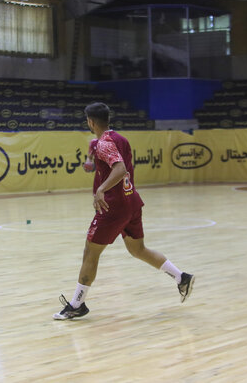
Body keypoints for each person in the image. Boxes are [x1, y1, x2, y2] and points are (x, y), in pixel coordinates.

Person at [53, 102, 194, 320]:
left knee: (91, 252)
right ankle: (181, 277)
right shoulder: (119, 139)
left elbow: (120, 169)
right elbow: (112, 165)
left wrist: (100, 188)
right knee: (138, 250)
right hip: (132, 202)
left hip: (113, 206)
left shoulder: (103, 144)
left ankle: (76, 304)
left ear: (90, 122)